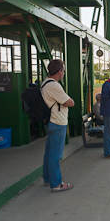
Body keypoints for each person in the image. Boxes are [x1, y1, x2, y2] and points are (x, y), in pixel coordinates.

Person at [41, 59, 74, 192]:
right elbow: (70, 102)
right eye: (63, 71)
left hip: (51, 121)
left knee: (49, 153)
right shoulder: (54, 85)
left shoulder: (45, 82)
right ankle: (56, 184)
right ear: (60, 71)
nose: (64, 73)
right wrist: (69, 101)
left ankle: (48, 178)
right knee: (56, 155)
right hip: (58, 122)